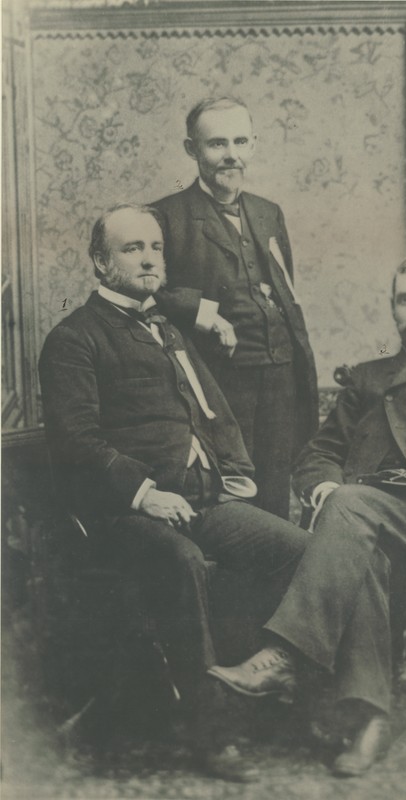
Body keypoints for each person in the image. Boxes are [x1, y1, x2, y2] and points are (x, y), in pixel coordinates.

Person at [208, 254, 406, 777]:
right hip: (364, 516)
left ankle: (285, 657)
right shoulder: (369, 377)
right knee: (358, 542)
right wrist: (325, 488)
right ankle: (369, 722)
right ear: (392, 309)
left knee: (352, 513)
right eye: (404, 300)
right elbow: (318, 453)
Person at [38, 204, 309, 783]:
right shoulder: (74, 339)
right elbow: (77, 440)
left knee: (299, 549)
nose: (149, 258)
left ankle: (276, 692)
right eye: (133, 249)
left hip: (202, 500)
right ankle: (212, 733)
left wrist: (235, 473)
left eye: (156, 247)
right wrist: (141, 494)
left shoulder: (168, 327)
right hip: (120, 514)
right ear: (100, 263)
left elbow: (214, 409)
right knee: (182, 562)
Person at [152, 96, 318, 519]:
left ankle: (277, 581)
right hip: (219, 379)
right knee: (233, 493)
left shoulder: (268, 212)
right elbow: (147, 290)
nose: (232, 155)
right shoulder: (166, 216)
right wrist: (202, 311)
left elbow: (285, 293)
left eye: (241, 142)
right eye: (217, 144)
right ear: (192, 150)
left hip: (280, 371)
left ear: (254, 144)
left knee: (276, 488)